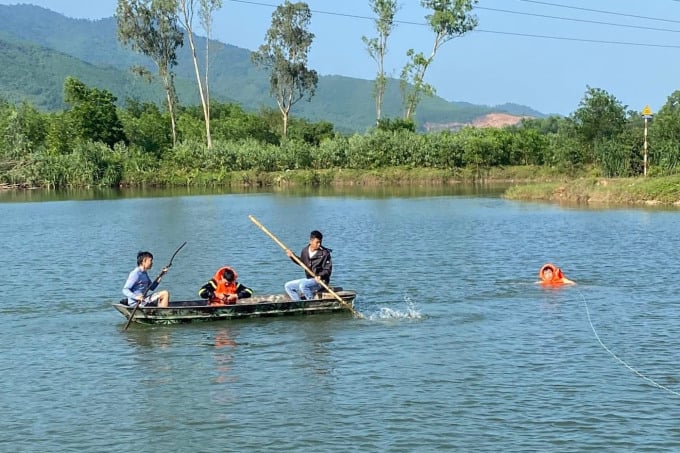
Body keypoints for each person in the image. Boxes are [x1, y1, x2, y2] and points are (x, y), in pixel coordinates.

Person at [284, 230, 332, 301]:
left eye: (320, 242)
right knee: (288, 286)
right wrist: (292, 256)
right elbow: (301, 262)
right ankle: (298, 303)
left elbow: (328, 270)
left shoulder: (325, 253)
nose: (319, 244)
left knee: (303, 286)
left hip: (321, 281)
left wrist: (320, 276)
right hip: (309, 280)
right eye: (317, 242)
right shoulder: (305, 251)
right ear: (311, 241)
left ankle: (311, 302)